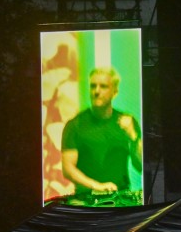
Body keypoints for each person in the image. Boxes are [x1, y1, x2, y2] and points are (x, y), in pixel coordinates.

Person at [60, 67, 142, 197]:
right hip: (86, 199)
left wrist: (133, 135)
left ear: (115, 92)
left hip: (121, 198)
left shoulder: (127, 122)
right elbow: (68, 169)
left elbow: (140, 165)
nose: (96, 91)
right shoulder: (75, 125)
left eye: (103, 86)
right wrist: (97, 186)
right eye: (93, 86)